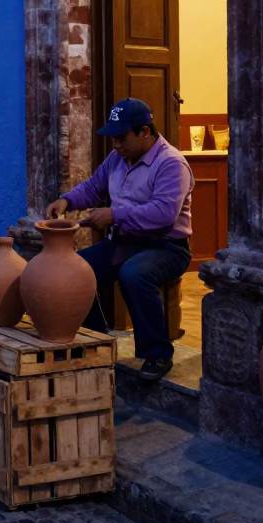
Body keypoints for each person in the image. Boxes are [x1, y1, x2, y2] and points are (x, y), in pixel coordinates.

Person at [45, 98, 193, 382]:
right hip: (124, 242)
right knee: (72, 269)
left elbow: (163, 214)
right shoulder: (118, 158)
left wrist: (114, 216)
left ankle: (158, 353)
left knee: (134, 274)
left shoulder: (172, 163)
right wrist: (66, 200)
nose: (115, 145)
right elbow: (93, 187)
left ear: (145, 132)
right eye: (113, 139)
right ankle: (98, 341)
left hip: (167, 247)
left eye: (121, 138)